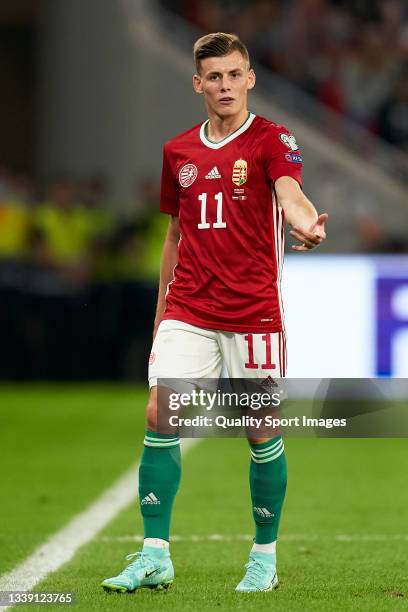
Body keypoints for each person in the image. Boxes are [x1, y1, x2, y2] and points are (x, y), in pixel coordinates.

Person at [102, 32, 327, 594]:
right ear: (198, 83)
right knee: (160, 416)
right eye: (214, 77)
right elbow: (174, 236)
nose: (225, 86)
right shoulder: (178, 152)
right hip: (190, 308)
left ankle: (264, 556)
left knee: (259, 429)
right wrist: (162, 310)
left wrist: (303, 221)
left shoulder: (274, 140)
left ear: (250, 78)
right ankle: (155, 554)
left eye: (234, 75)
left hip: (253, 314)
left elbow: (290, 191)